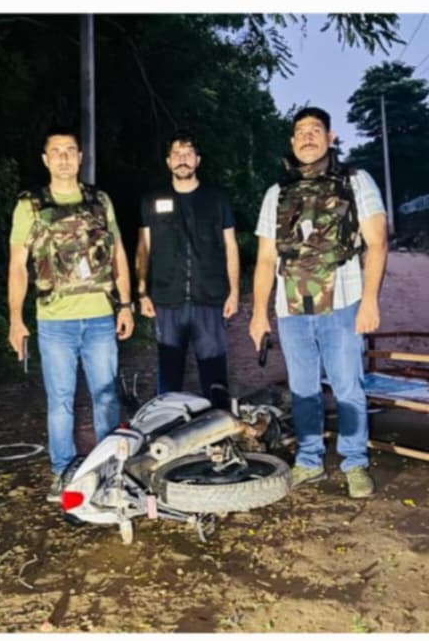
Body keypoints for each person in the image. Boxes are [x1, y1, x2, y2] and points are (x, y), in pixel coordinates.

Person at [248, 107, 389, 499]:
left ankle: (355, 463)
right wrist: (258, 313)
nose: (307, 137)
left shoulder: (355, 180)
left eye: (315, 130)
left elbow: (377, 242)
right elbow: (265, 259)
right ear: (292, 142)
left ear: (330, 138)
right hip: (291, 309)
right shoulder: (276, 193)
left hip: (342, 302)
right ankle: (309, 460)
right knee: (303, 389)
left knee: (347, 386)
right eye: (300, 131)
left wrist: (370, 302)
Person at [7, 126, 135, 502]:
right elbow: (17, 265)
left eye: (70, 151)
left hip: (99, 317)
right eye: (56, 151)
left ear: (80, 157)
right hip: (54, 321)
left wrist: (125, 304)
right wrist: (16, 319)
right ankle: (62, 471)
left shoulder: (100, 200)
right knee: (60, 401)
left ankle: (110, 470)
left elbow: (117, 253)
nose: (63, 158)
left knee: (106, 397)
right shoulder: (30, 205)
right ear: (45, 160)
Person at [134, 130, 239, 407]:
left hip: (210, 299)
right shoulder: (152, 200)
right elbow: (144, 248)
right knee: (169, 378)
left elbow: (230, 246)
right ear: (168, 161)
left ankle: (219, 425)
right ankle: (168, 428)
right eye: (177, 154)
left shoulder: (217, 199)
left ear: (198, 160)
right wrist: (142, 292)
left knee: (214, 375)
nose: (183, 159)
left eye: (188, 153)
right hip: (167, 300)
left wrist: (234, 292)